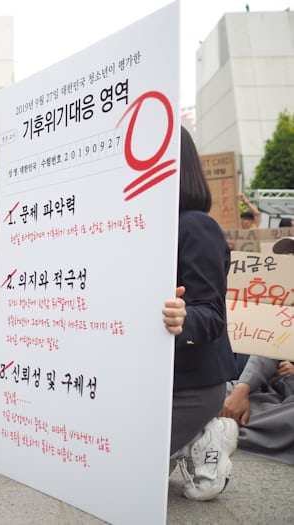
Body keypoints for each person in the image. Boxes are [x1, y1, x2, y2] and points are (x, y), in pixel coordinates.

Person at [161, 126, 239, 501]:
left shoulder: (195, 226)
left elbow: (211, 313)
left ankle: (204, 436)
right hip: (148, 379)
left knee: (122, 470)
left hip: (189, 385)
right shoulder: (137, 231)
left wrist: (184, 317)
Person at [217, 235, 294, 466]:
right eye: (291, 255)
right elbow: (270, 343)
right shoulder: (283, 297)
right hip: (276, 388)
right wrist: (242, 388)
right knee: (215, 393)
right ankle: (222, 423)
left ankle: (220, 427)